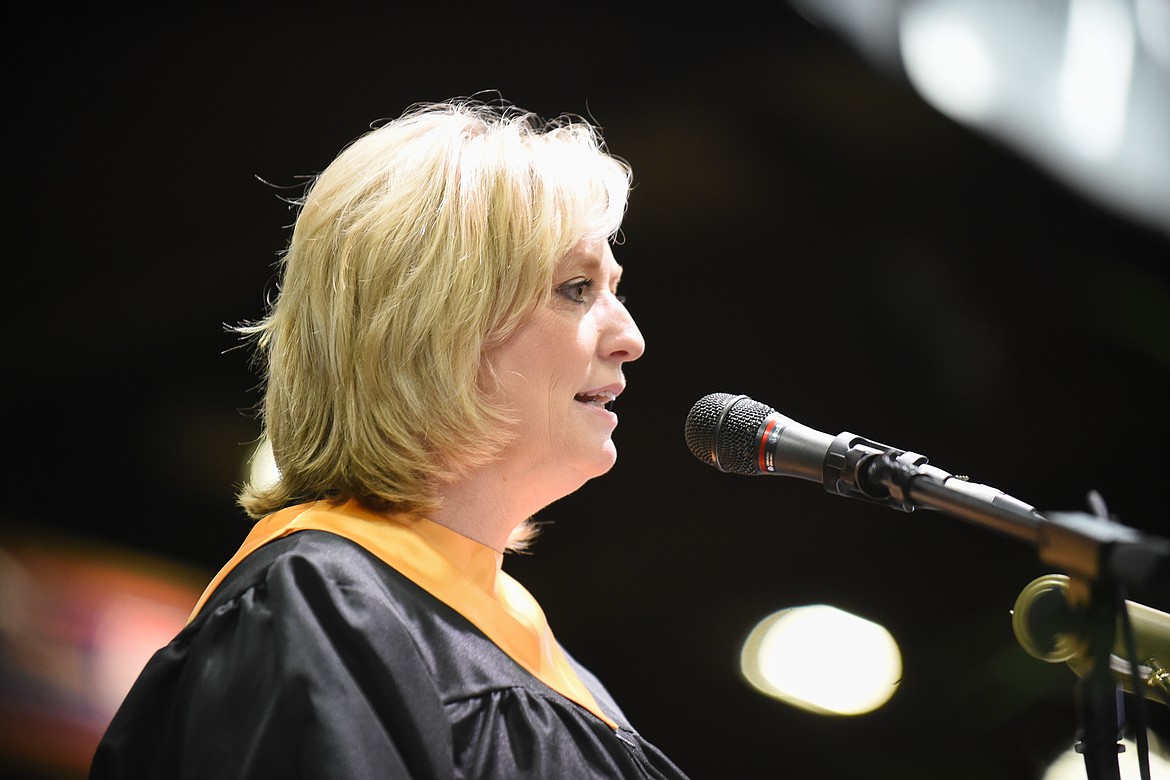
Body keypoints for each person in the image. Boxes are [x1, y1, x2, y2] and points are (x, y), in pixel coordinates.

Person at [89, 98, 689, 779]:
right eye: (576, 287)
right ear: (435, 322)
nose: (631, 339)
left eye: (614, 289)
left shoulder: (547, 659)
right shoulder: (321, 600)